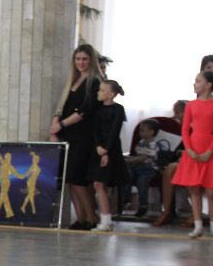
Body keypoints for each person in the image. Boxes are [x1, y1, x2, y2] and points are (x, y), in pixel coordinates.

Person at [172, 70, 213, 239]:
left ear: (208, 85)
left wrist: (209, 151)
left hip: (210, 150)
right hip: (193, 149)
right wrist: (189, 149)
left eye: (198, 81)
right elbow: (185, 130)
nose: (195, 84)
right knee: (194, 189)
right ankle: (198, 225)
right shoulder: (191, 105)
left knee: (212, 192)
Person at [49, 44, 102, 230]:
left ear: (91, 60)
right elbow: (62, 107)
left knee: (78, 179)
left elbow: (84, 111)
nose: (81, 62)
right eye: (78, 59)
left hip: (83, 136)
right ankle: (80, 218)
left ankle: (91, 217)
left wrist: (61, 125)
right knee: (70, 179)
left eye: (85, 59)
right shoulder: (74, 80)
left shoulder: (94, 82)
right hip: (69, 135)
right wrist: (54, 128)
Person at [90, 80, 127, 232]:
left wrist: (106, 151)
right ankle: (106, 219)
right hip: (99, 149)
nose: (98, 92)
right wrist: (98, 146)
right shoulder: (98, 110)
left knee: (99, 184)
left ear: (110, 94)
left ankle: (106, 220)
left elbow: (114, 131)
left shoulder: (118, 109)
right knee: (98, 184)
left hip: (111, 149)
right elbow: (95, 130)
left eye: (102, 90)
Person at [124, 119, 172, 218]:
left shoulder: (154, 144)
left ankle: (143, 206)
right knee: (127, 173)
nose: (139, 132)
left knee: (141, 181)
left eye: (142, 130)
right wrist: (127, 158)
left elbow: (143, 158)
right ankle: (126, 198)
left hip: (149, 168)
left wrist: (128, 160)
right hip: (137, 166)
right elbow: (137, 155)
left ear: (151, 132)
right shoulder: (141, 142)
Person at [153, 100, 188, 227]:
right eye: (175, 113)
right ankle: (167, 211)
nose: (175, 116)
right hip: (179, 158)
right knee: (169, 169)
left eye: (178, 113)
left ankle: (194, 214)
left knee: (177, 169)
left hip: (196, 157)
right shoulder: (173, 125)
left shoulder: (193, 125)